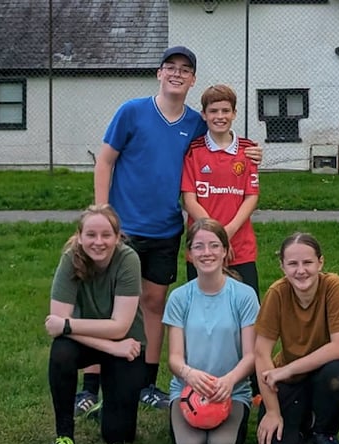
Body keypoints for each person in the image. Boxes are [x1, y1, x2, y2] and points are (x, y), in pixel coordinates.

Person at [86, 46, 264, 411]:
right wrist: (103, 213)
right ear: (159, 73)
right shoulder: (132, 112)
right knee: (105, 303)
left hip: (166, 230)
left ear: (193, 79)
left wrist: (253, 152)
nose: (177, 74)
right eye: (170, 67)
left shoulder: (196, 124)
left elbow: (224, 139)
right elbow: (105, 160)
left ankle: (147, 384)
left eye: (185, 69)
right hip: (124, 227)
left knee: (154, 304)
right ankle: (89, 388)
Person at [41, 203, 147, 444]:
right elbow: (58, 327)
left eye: (105, 235)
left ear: (117, 236)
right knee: (61, 352)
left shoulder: (128, 259)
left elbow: (120, 327)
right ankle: (64, 437)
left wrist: (68, 326)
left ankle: (104, 407)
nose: (98, 242)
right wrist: (111, 348)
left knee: (119, 437)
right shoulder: (70, 259)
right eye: (90, 235)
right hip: (109, 346)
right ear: (80, 236)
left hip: (129, 345)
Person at [180, 83, 262, 400]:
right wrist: (213, 236)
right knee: (200, 318)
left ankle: (253, 385)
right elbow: (189, 198)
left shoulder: (247, 150)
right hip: (202, 250)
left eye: (225, 110)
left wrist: (226, 234)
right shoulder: (195, 152)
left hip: (240, 249)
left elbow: (250, 198)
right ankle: (197, 379)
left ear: (234, 113)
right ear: (204, 115)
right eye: (213, 111)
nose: (219, 116)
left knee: (247, 318)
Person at [254, 232, 339, 444]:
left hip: (324, 373)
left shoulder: (333, 286)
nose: (300, 270)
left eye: (308, 262)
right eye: (292, 264)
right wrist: (273, 412)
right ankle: (304, 424)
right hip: (290, 381)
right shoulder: (277, 293)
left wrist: (288, 369)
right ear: (282, 266)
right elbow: (261, 353)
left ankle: (324, 432)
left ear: (320, 263)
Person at [163, 218, 259, 444]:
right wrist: (189, 374)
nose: (207, 253)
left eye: (214, 246)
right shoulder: (179, 297)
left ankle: (231, 421)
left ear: (225, 251)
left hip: (232, 390)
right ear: (189, 254)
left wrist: (229, 381)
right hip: (188, 390)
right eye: (199, 247)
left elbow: (251, 356)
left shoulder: (244, 295)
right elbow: (174, 358)